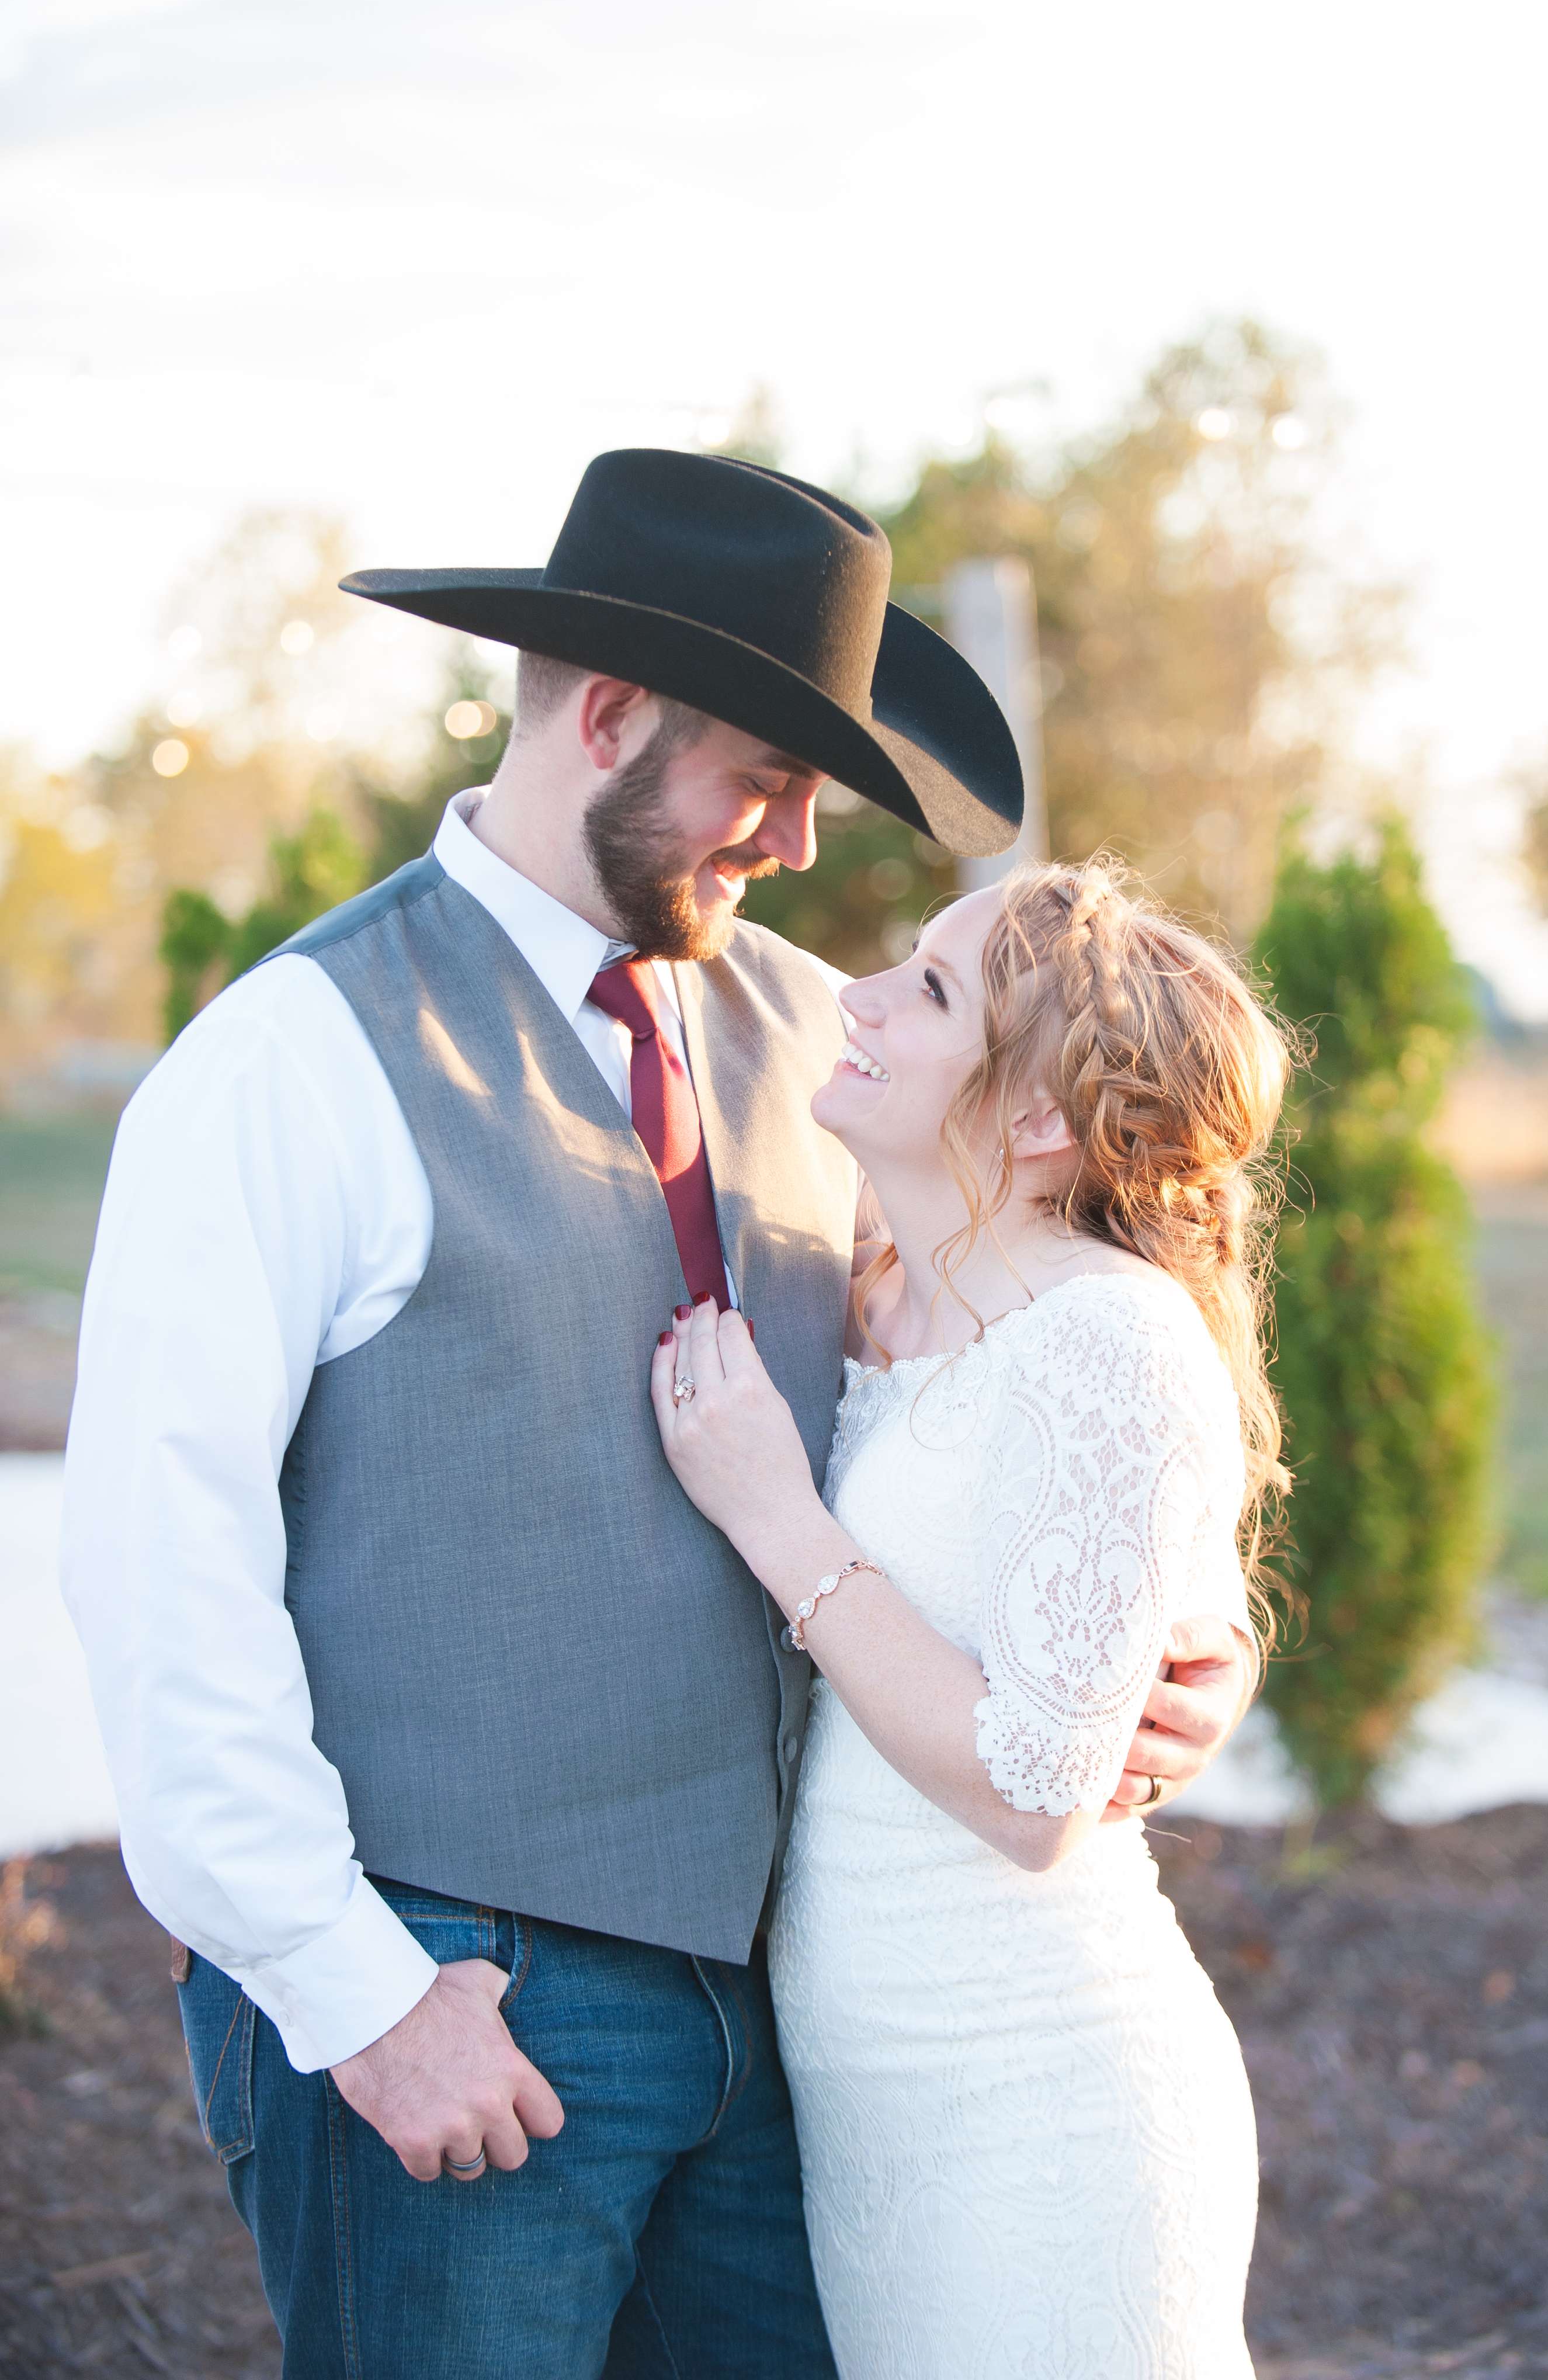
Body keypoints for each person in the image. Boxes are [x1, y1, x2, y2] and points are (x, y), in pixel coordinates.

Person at [63, 447, 1255, 2379]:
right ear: (608, 718)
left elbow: (1022, 1400)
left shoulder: (835, 1049)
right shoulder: (291, 1062)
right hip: (463, 1991)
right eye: (765, 781)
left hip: (797, 2026)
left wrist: (1174, 1667)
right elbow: (156, 1570)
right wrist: (354, 1993)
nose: (792, 843)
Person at [650, 858, 1287, 2377]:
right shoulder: (882, 1293)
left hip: (1044, 2096)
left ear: (1041, 1119)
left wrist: (776, 1518)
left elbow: (1031, 1792)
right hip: (878, 2111)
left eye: (928, 989)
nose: (856, 998)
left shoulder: (1110, 1339)